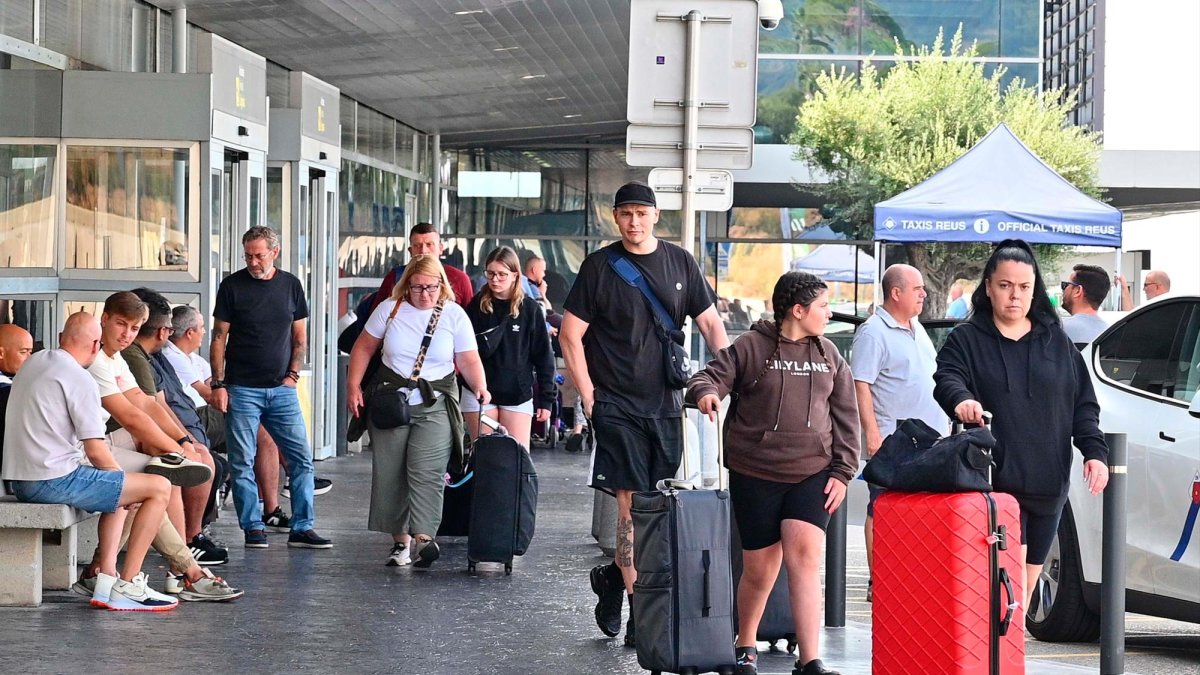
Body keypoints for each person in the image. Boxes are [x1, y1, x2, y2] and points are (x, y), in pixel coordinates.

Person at [560, 180, 729, 646]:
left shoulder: (680, 262)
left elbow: (711, 322)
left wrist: (730, 375)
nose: (634, 222)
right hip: (615, 405)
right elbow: (570, 336)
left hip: (666, 405)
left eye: (642, 213)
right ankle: (641, 613)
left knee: (658, 508)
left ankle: (615, 578)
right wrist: (590, 398)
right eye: (626, 214)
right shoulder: (600, 267)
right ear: (615, 218)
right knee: (631, 506)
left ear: (656, 216)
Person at [687, 272, 859, 675]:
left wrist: (844, 471)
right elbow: (707, 376)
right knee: (761, 568)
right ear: (798, 311)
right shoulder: (751, 347)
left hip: (812, 472)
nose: (828, 313)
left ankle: (811, 659)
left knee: (804, 556)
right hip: (756, 471)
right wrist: (706, 394)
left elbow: (847, 417)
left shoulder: (829, 354)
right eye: (822, 306)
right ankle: (745, 644)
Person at [934, 239, 1109, 611]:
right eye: (1005, 285)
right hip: (995, 484)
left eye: (1024, 287)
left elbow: (1084, 404)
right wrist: (962, 400)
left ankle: (1004, 660)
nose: (1015, 295)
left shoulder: (1056, 342)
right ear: (988, 288)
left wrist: (1095, 453)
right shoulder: (966, 339)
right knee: (1002, 582)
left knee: (1024, 587)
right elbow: (947, 378)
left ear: (1034, 290)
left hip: (1049, 481)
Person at [2, 313, 176, 611]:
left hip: (20, 479)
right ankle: (129, 584)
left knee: (122, 487)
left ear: (60, 338)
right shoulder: (79, 378)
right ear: (96, 345)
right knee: (159, 486)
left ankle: (107, 576)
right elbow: (96, 450)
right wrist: (121, 484)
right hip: (51, 480)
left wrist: (121, 487)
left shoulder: (36, 362)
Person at [346, 254, 489, 568]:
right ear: (406, 285)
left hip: (435, 400)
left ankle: (424, 538)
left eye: (431, 287)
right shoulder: (390, 309)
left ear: (442, 286)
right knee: (391, 471)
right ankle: (400, 543)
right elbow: (364, 347)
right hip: (390, 400)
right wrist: (353, 386)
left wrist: (479, 385)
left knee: (428, 471)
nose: (424, 294)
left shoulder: (454, 315)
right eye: (418, 287)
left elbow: (467, 358)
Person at [211, 225, 332, 550]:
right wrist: (220, 383)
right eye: (248, 255)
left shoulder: (290, 285)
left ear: (274, 253)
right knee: (241, 459)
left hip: (281, 389)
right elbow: (219, 337)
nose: (252, 261)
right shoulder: (232, 286)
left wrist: (293, 375)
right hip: (242, 388)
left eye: (259, 255)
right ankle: (253, 526)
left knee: (301, 458)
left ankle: (302, 526)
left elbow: (300, 337)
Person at [850, 265, 948, 603]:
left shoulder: (916, 328)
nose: (924, 294)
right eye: (917, 288)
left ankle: (910, 574)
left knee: (917, 510)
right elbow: (861, 384)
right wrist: (872, 434)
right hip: (893, 438)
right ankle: (880, 580)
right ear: (896, 293)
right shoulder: (873, 331)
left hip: (928, 438)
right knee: (881, 508)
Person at [120, 288, 227, 565]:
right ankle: (185, 553)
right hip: (120, 440)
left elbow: (153, 406)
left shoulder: (146, 355)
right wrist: (181, 444)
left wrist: (183, 441)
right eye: (123, 326)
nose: (127, 335)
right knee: (176, 470)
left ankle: (184, 558)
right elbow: (144, 411)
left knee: (186, 465)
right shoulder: (130, 355)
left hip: (133, 437)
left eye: (132, 328)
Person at [463, 246, 556, 450]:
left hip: (517, 393)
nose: (495, 280)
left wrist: (546, 399)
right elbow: (463, 351)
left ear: (515, 275)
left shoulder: (529, 309)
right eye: (491, 274)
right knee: (484, 459)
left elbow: (543, 356)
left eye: (502, 275)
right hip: (479, 392)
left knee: (517, 459)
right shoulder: (476, 306)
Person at [373, 223, 474, 313]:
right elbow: (375, 317)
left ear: (440, 249)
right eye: (417, 245)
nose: (423, 250)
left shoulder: (459, 278)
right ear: (410, 251)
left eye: (429, 244)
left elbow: (469, 322)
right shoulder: (395, 277)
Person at [0, 324, 34, 484]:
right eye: (23, 352)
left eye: (30, 352)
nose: (29, 358)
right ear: (1, 353)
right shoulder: (6, 391)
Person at [1060, 264, 1112, 345]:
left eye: (1066, 285)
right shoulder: (1111, 333)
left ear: (1078, 291)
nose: (1064, 290)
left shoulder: (1059, 330)